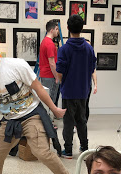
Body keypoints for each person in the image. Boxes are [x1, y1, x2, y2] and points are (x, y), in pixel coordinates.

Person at [0, 31, 74, 174]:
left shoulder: (16, 65)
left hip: (31, 114)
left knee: (42, 152)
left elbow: (38, 88)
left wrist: (54, 108)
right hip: (10, 120)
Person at [56, 15, 96, 159]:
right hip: (83, 90)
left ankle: (67, 150)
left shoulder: (64, 49)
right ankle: (84, 147)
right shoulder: (88, 48)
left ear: (67, 28)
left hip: (68, 91)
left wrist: (59, 80)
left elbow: (60, 70)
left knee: (68, 121)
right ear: (82, 28)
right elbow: (92, 67)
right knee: (81, 120)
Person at [39, 20, 60, 110]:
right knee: (50, 101)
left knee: (46, 100)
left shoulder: (44, 42)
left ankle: (48, 120)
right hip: (50, 76)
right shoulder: (50, 44)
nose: (57, 31)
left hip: (44, 75)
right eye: (56, 29)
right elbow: (52, 63)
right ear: (52, 30)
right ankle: (49, 121)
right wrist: (57, 77)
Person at [84, 39, 97, 122]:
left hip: (87, 85)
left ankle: (84, 122)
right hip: (77, 85)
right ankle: (75, 124)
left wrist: (95, 84)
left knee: (85, 104)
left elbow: (93, 72)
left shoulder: (91, 59)